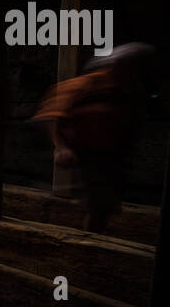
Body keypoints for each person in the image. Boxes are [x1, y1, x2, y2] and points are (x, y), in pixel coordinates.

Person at [31, 42, 156, 233]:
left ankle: (92, 232)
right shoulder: (88, 84)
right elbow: (50, 114)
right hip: (82, 152)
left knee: (102, 203)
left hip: (106, 157)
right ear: (119, 65)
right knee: (98, 202)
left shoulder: (125, 91)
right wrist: (60, 146)